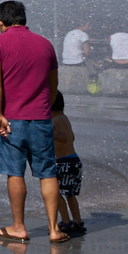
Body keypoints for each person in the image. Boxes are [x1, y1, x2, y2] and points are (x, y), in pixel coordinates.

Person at [0, 0, 67, 244]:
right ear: (23, 18)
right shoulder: (45, 44)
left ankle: (19, 227)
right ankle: (54, 229)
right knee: (48, 173)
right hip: (41, 118)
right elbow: (53, 85)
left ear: (1, 21)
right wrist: (43, 107)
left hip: (11, 118)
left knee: (14, 172)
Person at [51, 90, 85, 237]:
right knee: (70, 194)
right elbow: (72, 137)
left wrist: (47, 133)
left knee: (54, 192)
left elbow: (64, 138)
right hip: (73, 159)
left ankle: (65, 221)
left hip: (64, 162)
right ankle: (77, 222)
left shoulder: (56, 119)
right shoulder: (64, 118)